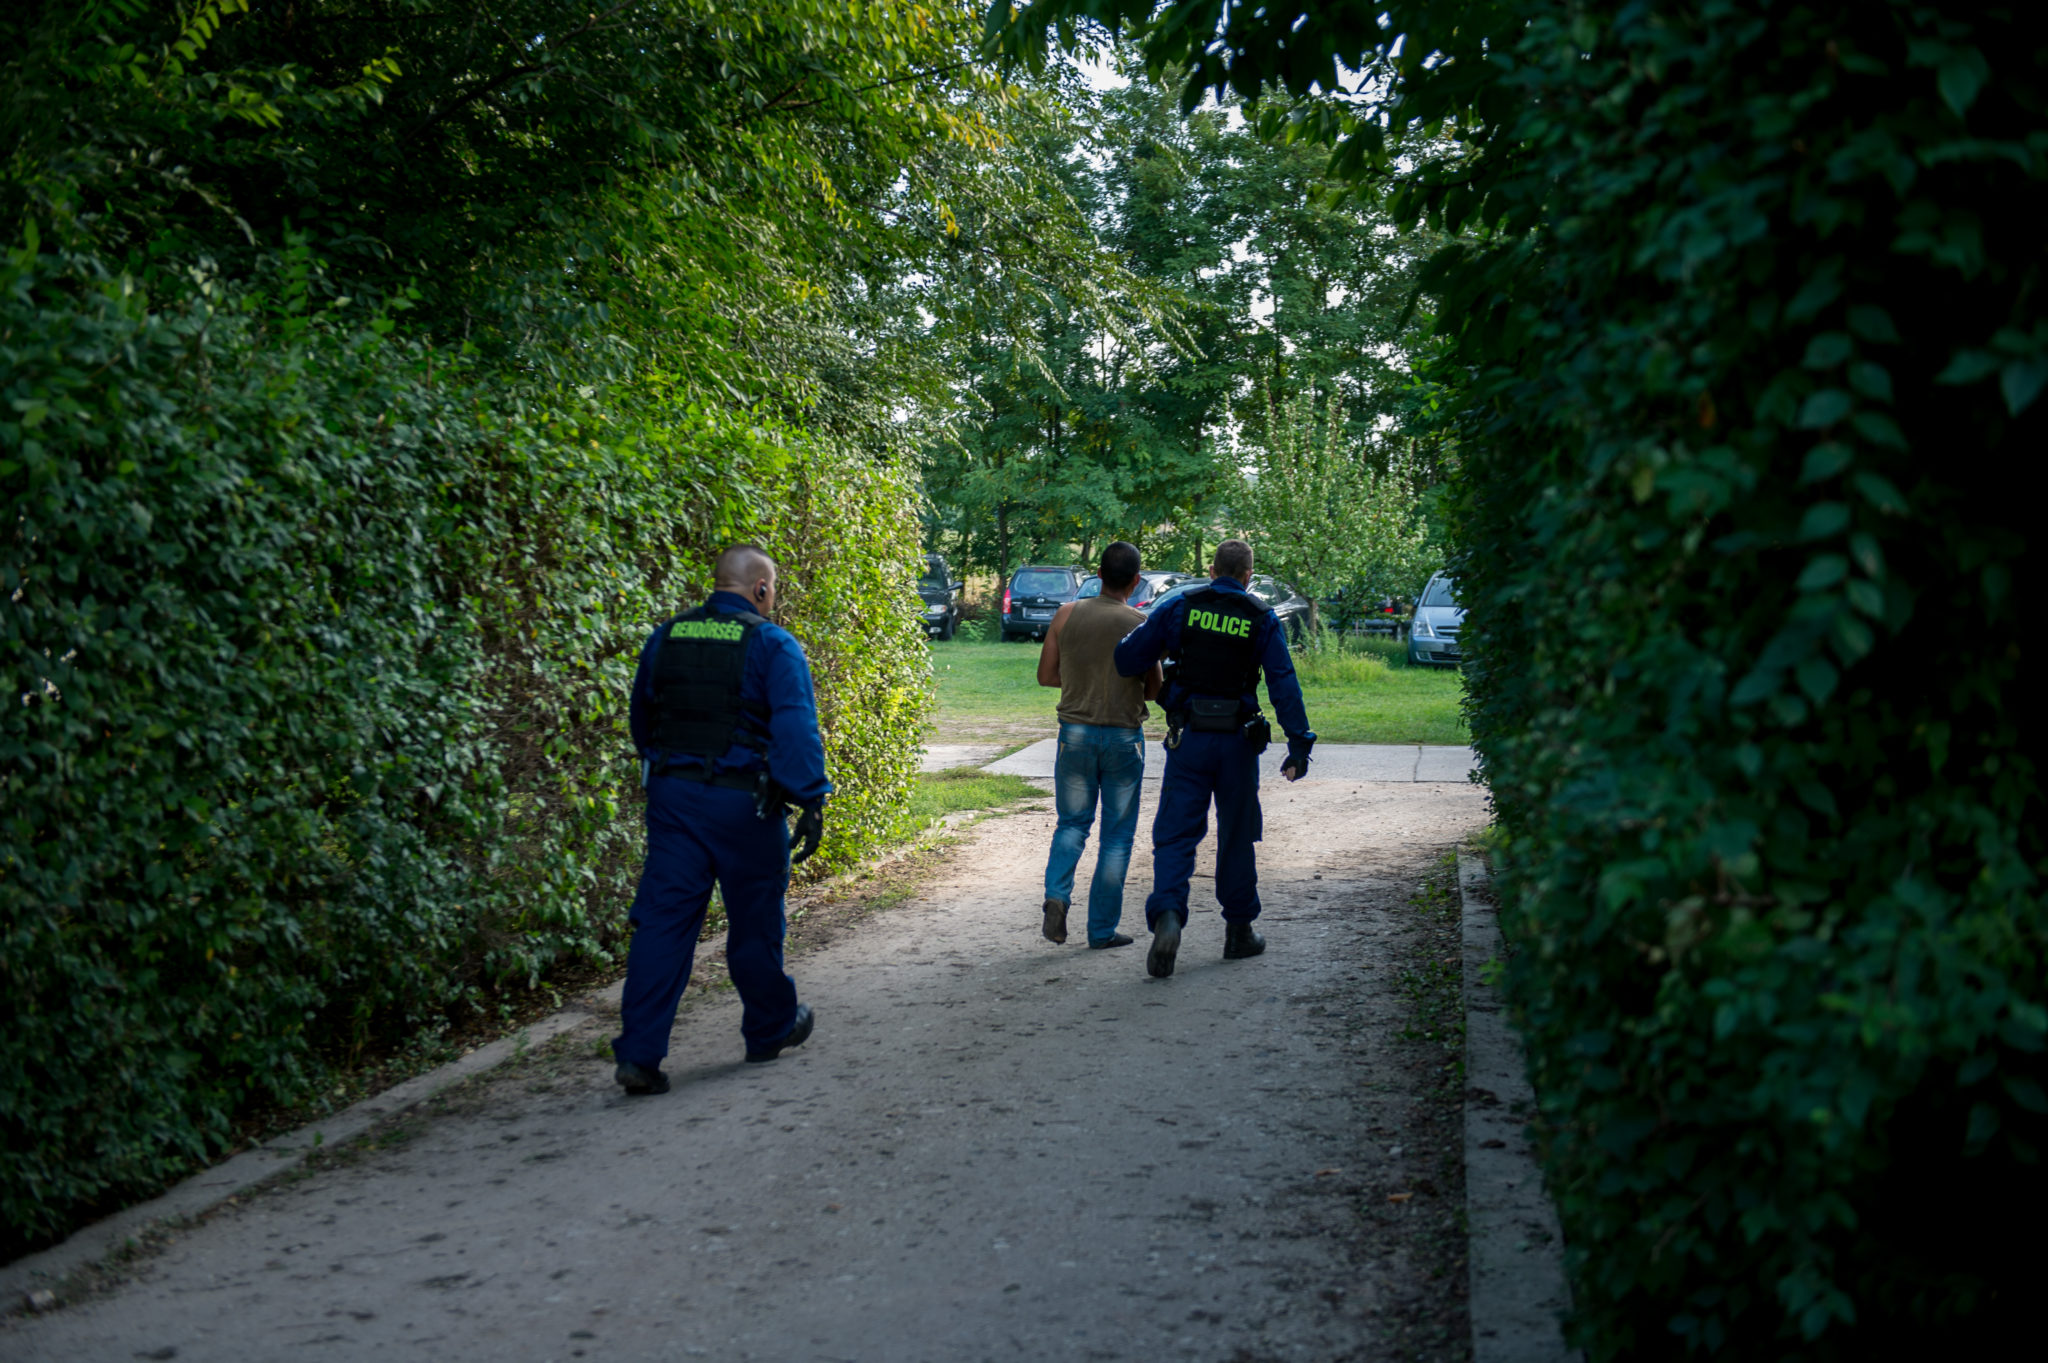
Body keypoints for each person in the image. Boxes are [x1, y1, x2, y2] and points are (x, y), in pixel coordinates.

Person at [612, 545, 828, 1094]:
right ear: (759, 588)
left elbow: (642, 720)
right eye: (772, 591)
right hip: (743, 809)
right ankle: (768, 1030)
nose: (772, 601)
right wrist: (811, 799)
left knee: (663, 923)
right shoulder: (771, 644)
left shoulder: (666, 637)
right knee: (755, 922)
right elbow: (796, 729)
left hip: (673, 802)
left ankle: (639, 1054)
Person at [1112, 539, 1315, 978]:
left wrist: (1166, 687)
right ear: (1247, 575)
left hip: (1189, 737)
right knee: (1237, 834)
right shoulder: (1261, 617)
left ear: (1211, 569)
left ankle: (1167, 915)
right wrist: (1299, 743)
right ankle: (1238, 932)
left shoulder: (1181, 606)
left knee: (1176, 833)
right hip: (1238, 743)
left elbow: (1128, 658)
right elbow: (1283, 683)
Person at [1034, 542, 1164, 949]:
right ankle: (1102, 930)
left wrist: (1080, 680)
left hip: (1074, 734)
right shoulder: (1141, 622)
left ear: (1099, 573)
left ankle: (1057, 895)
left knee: (1072, 824)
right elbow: (1155, 689)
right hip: (1124, 737)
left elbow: (1046, 675)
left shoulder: (1066, 614)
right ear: (1135, 580)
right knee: (1116, 838)